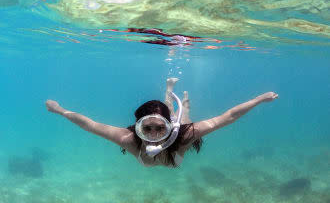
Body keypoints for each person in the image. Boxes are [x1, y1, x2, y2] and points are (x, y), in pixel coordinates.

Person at [45, 78, 278, 168]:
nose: (155, 133)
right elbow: (90, 125)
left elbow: (228, 117)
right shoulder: (128, 139)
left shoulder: (184, 135)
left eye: (160, 128)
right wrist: (61, 111)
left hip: (178, 131)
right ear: (138, 127)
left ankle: (180, 105)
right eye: (148, 128)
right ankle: (170, 92)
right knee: (173, 114)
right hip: (172, 135)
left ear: (168, 127)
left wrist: (258, 100)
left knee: (184, 117)